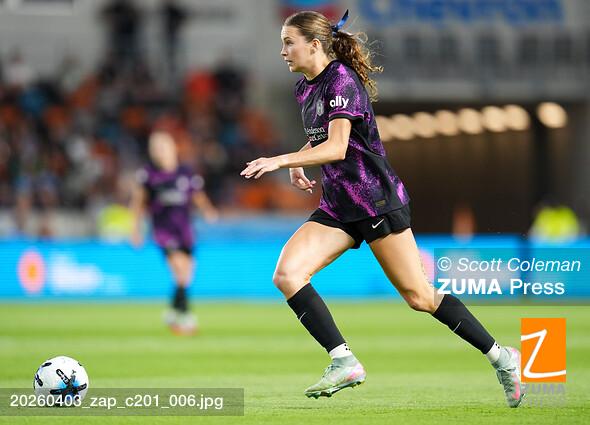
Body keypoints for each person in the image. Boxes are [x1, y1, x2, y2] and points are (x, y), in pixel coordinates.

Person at [241, 10, 525, 407]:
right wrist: (301, 160)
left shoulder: (341, 79)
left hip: (375, 200)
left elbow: (338, 147)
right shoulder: (304, 88)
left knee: (420, 297)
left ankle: (502, 357)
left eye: (289, 42)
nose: (283, 51)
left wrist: (281, 160)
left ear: (315, 45)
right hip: (339, 205)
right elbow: (327, 137)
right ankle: (344, 361)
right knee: (287, 274)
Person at [131, 131, 218, 335]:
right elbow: (138, 203)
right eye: (156, 148)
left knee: (186, 276)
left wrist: (207, 210)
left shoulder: (186, 172)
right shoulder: (148, 175)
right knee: (180, 270)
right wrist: (135, 230)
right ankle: (186, 317)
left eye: (163, 147)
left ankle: (172, 311)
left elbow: (197, 195)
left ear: (173, 148)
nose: (159, 151)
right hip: (164, 231)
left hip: (185, 230)